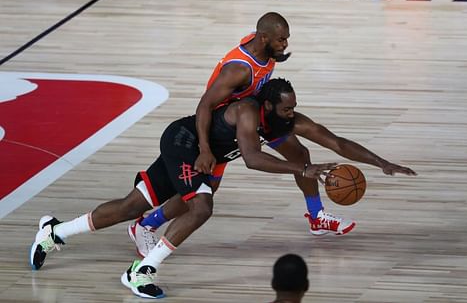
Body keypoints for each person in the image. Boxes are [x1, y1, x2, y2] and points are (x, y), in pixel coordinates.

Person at [29, 79, 416, 299]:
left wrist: (381, 162)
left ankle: (54, 232)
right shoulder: (248, 113)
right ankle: (141, 271)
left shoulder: (285, 119)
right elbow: (250, 158)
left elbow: (337, 142)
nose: (291, 113)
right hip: (183, 141)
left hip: (200, 153)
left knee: (133, 206)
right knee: (201, 207)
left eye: (293, 108)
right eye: (285, 109)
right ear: (266, 106)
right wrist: (304, 167)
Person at [129, 11, 354, 258]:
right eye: (281, 39)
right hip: (222, 129)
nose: (285, 44)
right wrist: (205, 148)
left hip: (255, 117)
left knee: (299, 152)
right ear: (265, 38)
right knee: (205, 192)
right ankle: (147, 223)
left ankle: (316, 215)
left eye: (286, 38)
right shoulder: (238, 69)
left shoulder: (263, 47)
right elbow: (204, 105)